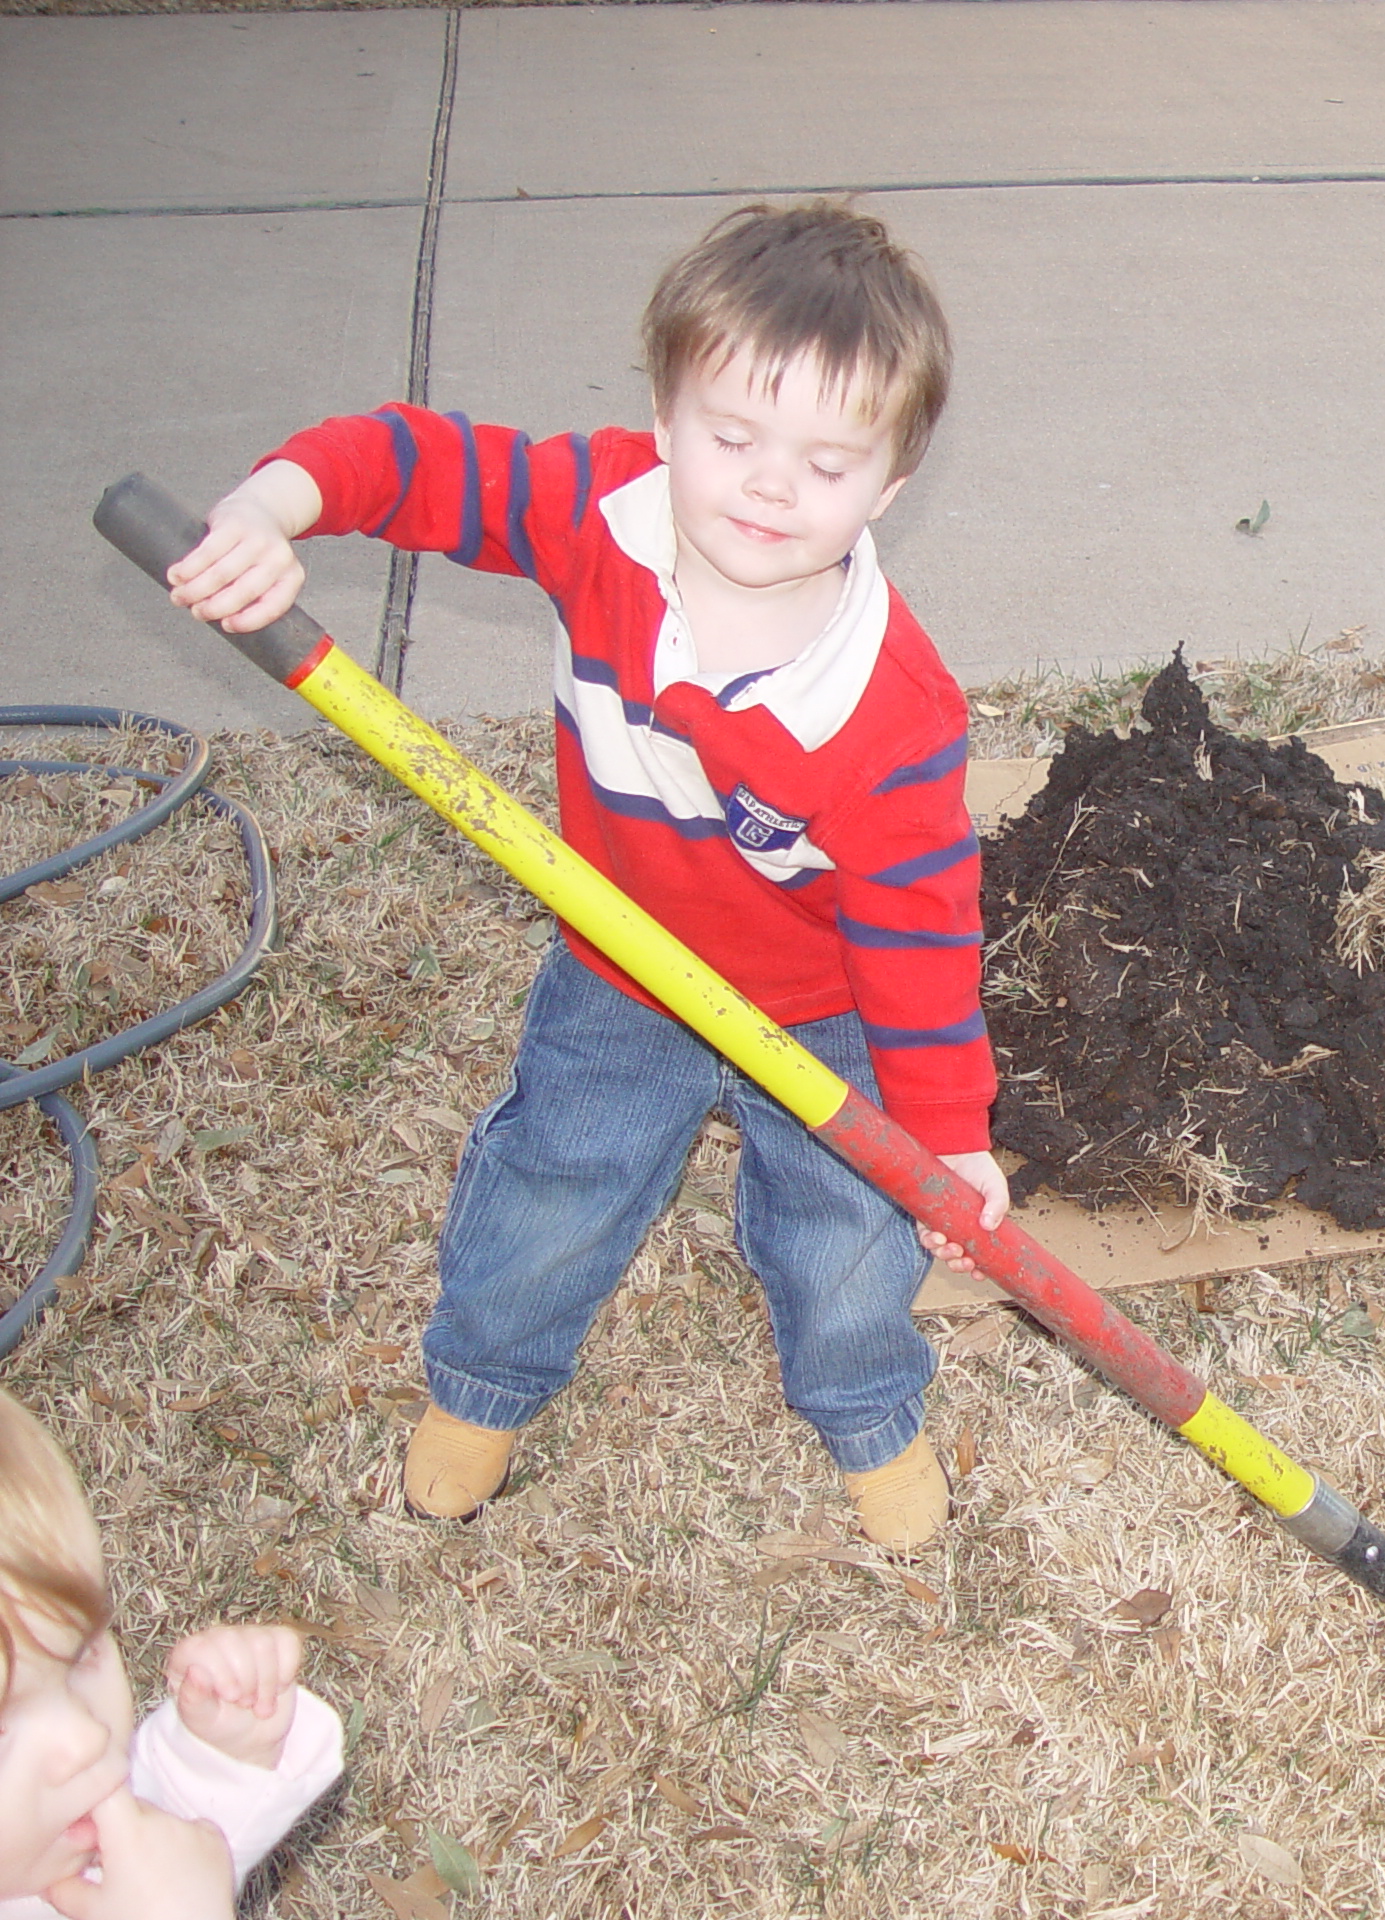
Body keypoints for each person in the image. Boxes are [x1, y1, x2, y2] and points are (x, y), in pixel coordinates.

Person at [165, 202, 1009, 1548]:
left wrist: (947, 1138)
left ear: (891, 488)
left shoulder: (890, 711)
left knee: (849, 1232)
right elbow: (411, 460)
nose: (769, 486)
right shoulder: (597, 512)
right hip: (622, 963)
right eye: (730, 437)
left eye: (828, 463)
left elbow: (919, 940)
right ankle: (486, 1382)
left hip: (820, 1006)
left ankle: (863, 1407)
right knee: (557, 1180)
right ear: (666, 419)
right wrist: (273, 508)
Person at [0, 1390, 345, 1920]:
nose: (87, 1737)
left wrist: (221, 1759)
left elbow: (171, 1844)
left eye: (80, 1659)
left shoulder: (56, 1827)